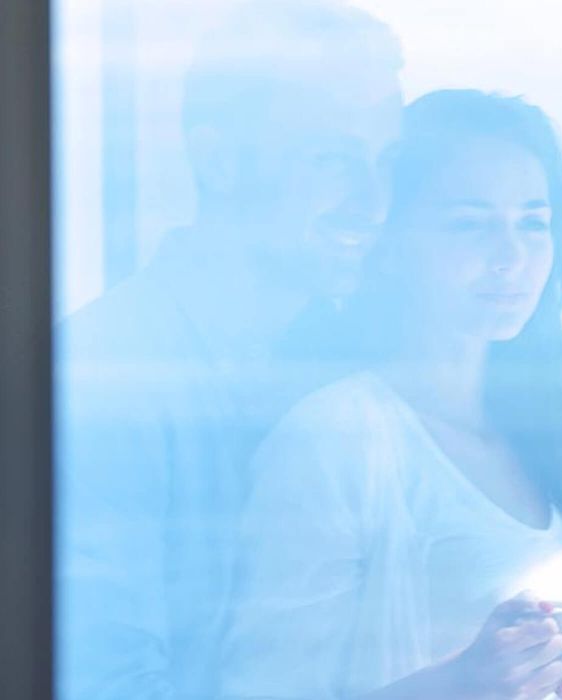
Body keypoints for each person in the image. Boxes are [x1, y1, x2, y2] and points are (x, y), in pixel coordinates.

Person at [219, 90, 562, 700]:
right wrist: (457, 685)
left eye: (533, 222)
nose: (511, 256)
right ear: (388, 245)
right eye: (470, 224)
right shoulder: (338, 436)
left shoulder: (551, 435)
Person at [55, 3, 402, 697]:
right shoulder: (103, 379)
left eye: (386, 161)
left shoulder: (355, 374)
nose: (373, 203)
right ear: (216, 161)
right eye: (332, 158)